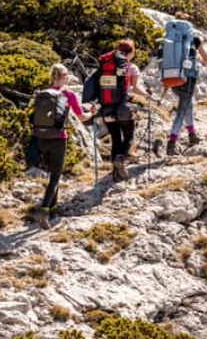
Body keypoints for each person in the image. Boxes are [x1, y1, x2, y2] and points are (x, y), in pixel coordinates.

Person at [31, 63, 91, 229]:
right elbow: (82, 117)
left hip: (41, 138)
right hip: (59, 138)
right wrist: (93, 112)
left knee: (51, 172)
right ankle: (44, 210)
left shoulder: (43, 93)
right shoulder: (68, 94)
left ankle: (53, 207)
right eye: (66, 76)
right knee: (56, 176)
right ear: (64, 76)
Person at [164, 13, 207, 156]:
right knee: (181, 110)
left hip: (173, 76)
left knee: (188, 105)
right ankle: (171, 143)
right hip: (188, 79)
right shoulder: (195, 40)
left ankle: (192, 135)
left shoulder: (171, 39)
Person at [103, 39, 151, 182]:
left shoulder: (108, 66)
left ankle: (115, 174)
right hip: (124, 107)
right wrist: (146, 95)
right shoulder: (132, 68)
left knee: (115, 139)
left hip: (108, 107)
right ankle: (121, 158)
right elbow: (135, 88)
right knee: (129, 136)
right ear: (130, 52)